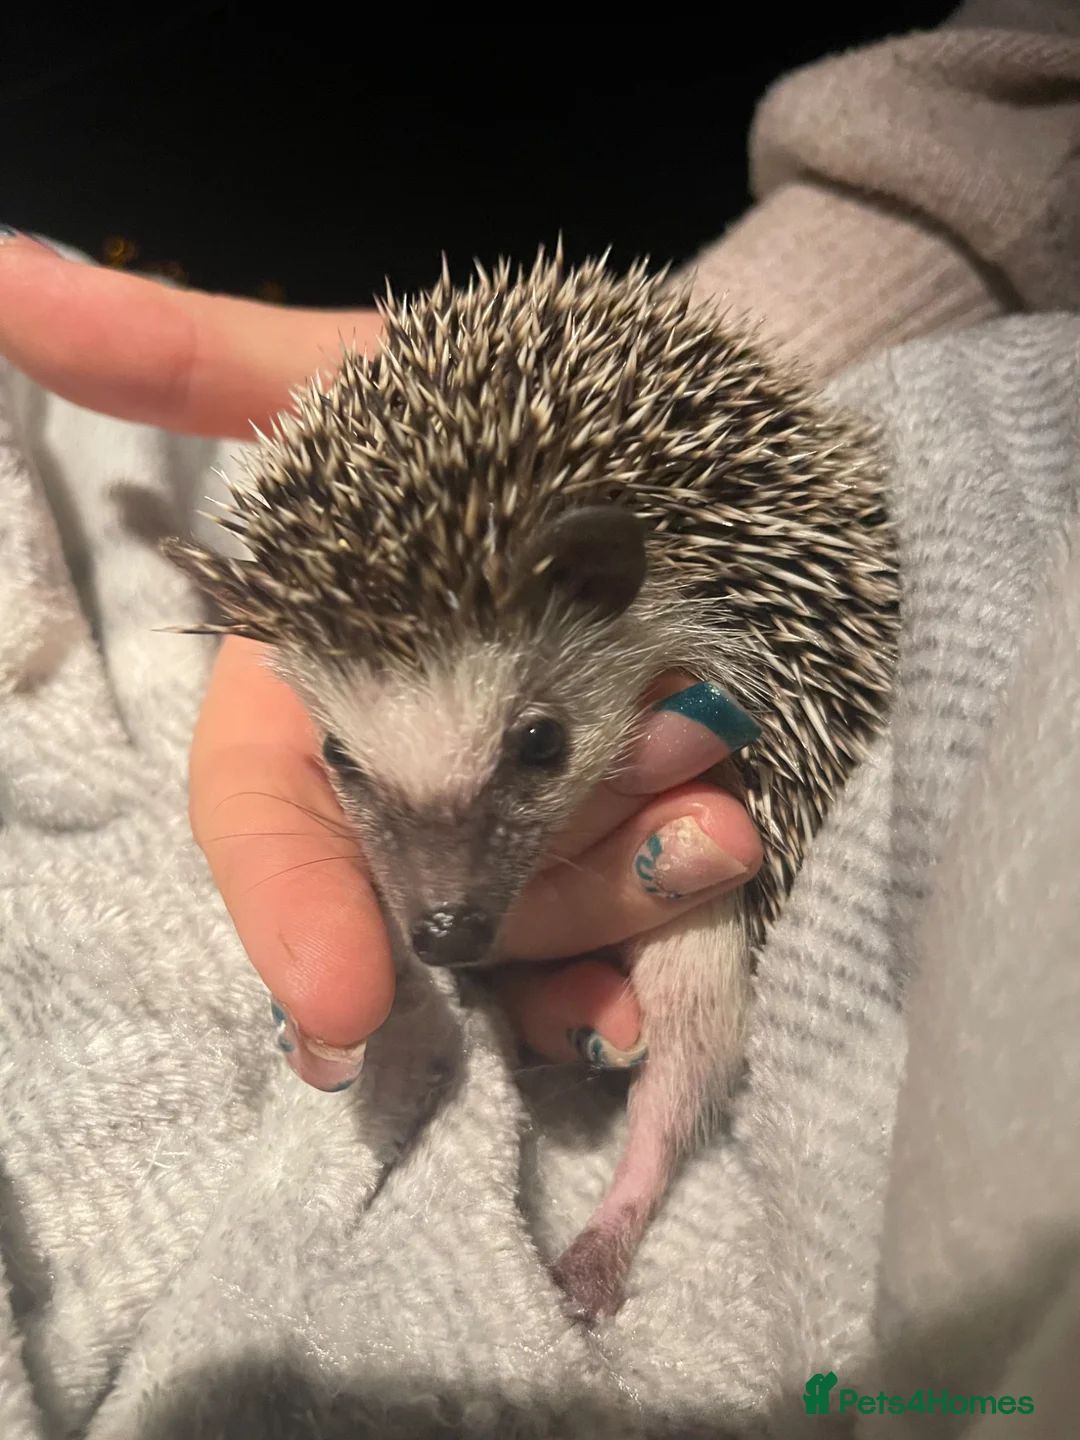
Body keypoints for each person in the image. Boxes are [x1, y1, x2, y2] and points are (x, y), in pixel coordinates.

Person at [0, 2, 1076, 1435]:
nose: (441, 910)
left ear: (608, 584)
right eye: (362, 785)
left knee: (698, 941)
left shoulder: (667, 580)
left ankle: (629, 1199)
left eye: (527, 753)